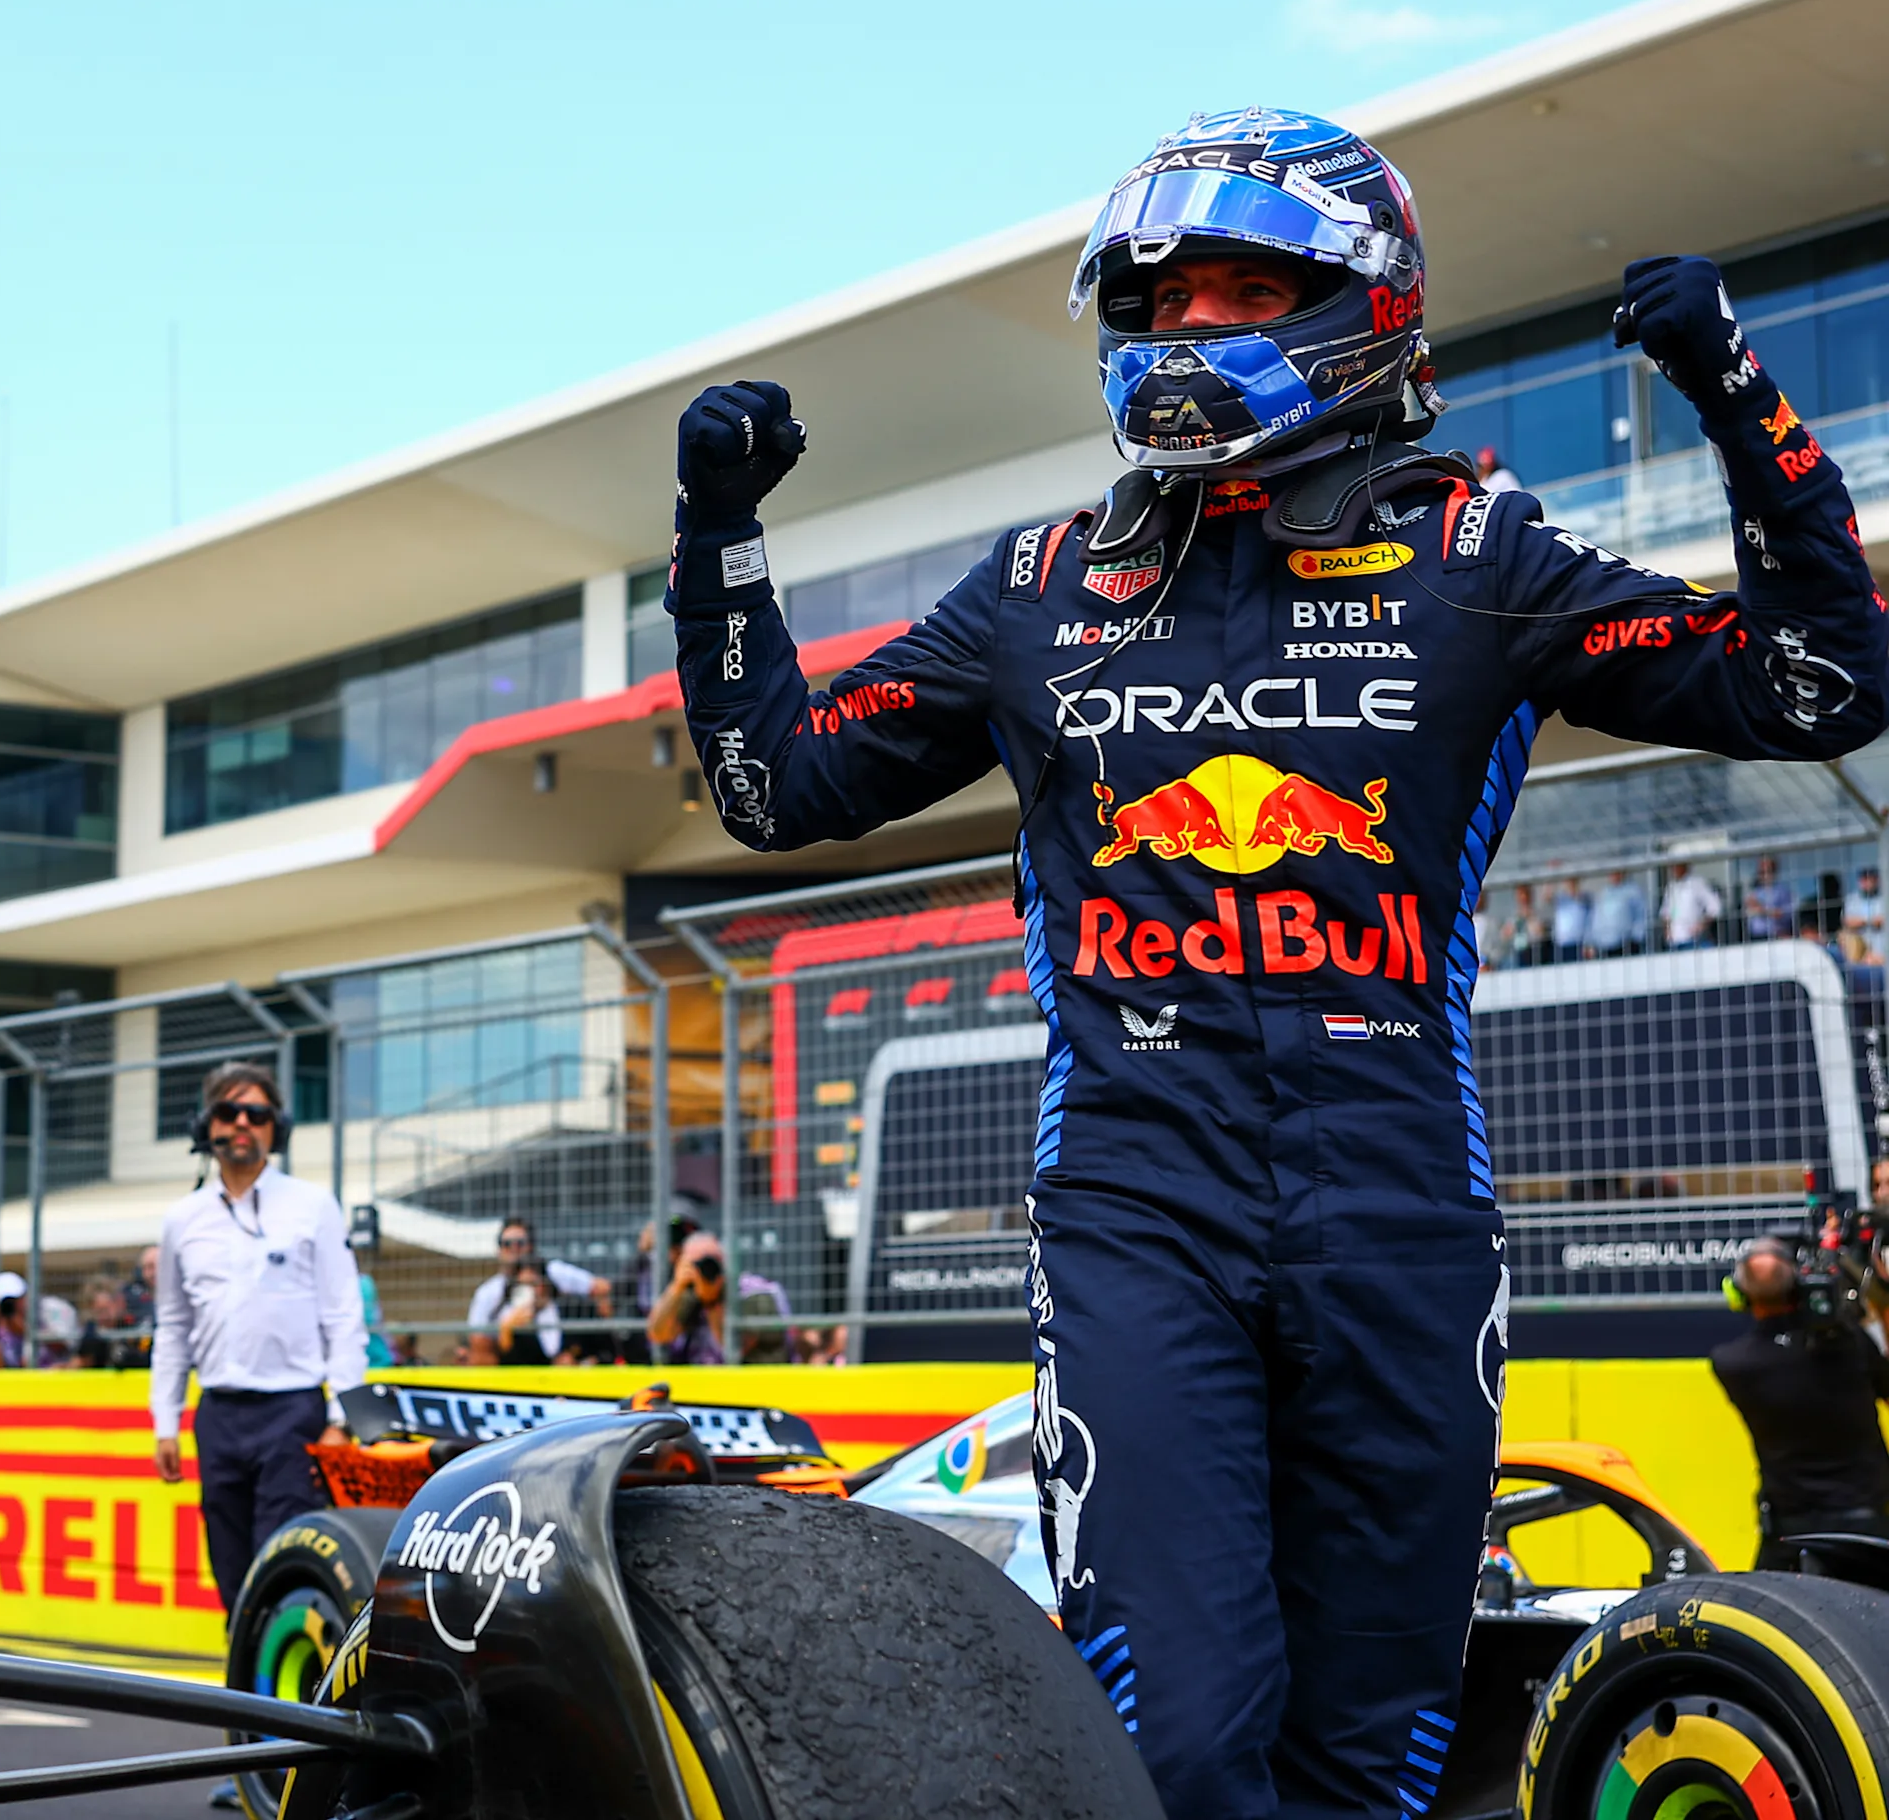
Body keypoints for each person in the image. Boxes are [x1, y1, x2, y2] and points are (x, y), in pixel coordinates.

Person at [665, 106, 1884, 1817]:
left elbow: (1822, 686)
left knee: (1373, 1744)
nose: (1184, 336)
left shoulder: (1479, 552)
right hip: (1135, 1201)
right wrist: (714, 537)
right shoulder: (1036, 584)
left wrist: (1735, 396)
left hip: (1397, 1206)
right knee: (1178, 1737)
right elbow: (772, 784)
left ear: (1357, 301)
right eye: (1156, 306)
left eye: (1236, 295)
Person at [150, 1060, 368, 1633]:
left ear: (278, 1127)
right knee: (229, 1568)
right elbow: (172, 1325)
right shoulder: (181, 1220)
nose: (242, 1122)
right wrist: (165, 1421)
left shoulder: (313, 1205)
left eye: (257, 1113)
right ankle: (245, 1695)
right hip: (218, 1414)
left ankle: (283, 1702)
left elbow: (344, 1314)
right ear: (208, 1124)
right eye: (228, 1111)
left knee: (282, 1559)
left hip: (294, 1413)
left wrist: (342, 1417)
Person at [1710, 1237, 1889, 1570]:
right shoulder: (1850, 1345)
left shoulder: (1732, 1363)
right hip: (1866, 1528)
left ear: (1740, 1294)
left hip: (1788, 1534)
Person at [467, 1215, 607, 1362]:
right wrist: (506, 1329)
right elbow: (477, 1339)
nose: (514, 1248)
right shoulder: (488, 1292)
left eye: (520, 1243)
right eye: (507, 1243)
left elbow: (600, 1287)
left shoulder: (554, 1272)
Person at [644, 1232, 728, 1367]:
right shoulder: (687, 1292)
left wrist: (711, 1300)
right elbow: (658, 1334)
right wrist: (676, 1287)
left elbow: (734, 1347)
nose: (705, 1269)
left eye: (711, 1261)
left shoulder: (743, 1291)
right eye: (698, 1264)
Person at [491, 1263, 558, 1367]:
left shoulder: (559, 1309)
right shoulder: (506, 1313)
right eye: (523, 1285)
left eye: (533, 1284)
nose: (529, 1291)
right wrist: (507, 1330)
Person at [1666, 861, 1727, 949]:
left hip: (1693, 940)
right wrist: (1667, 931)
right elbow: (1666, 912)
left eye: (1676, 866)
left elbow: (1715, 907)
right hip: (1674, 942)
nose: (1673, 869)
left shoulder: (1696, 883)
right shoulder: (1671, 886)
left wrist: (1701, 925)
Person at [1591, 869, 1650, 958]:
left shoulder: (1633, 891)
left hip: (1626, 943)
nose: (1614, 876)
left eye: (1616, 872)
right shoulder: (1605, 893)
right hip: (1605, 944)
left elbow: (1641, 915)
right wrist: (1595, 940)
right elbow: (1597, 918)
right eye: (1612, 873)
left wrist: (1636, 938)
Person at [1549, 877, 1589, 963]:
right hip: (1562, 945)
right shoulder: (1561, 899)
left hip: (1579, 944)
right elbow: (1547, 895)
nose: (1570, 885)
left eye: (1572, 882)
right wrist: (1552, 873)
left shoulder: (1584, 898)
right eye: (1568, 882)